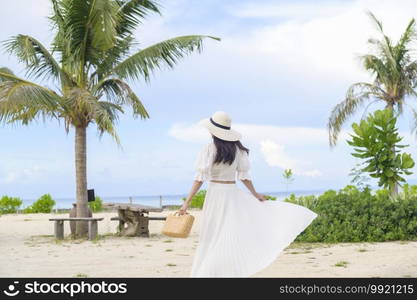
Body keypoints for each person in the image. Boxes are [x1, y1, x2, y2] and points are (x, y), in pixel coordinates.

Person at [180, 111, 318, 277]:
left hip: (215, 194)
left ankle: (208, 272)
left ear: (213, 131)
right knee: (228, 235)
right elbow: (244, 177)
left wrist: (187, 202)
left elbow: (199, 178)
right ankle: (221, 272)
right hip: (231, 194)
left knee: (212, 234)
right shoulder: (238, 151)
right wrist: (255, 194)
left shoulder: (209, 149)